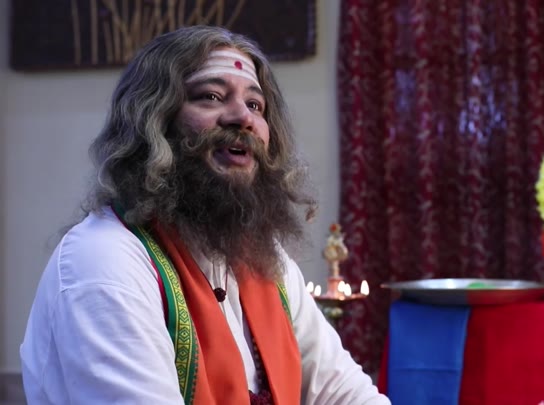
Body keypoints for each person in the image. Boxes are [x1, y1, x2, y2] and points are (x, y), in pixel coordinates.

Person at [20, 25, 390, 404]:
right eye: (211, 96)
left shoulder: (268, 263)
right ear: (154, 121)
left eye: (255, 105)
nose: (242, 117)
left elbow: (343, 393)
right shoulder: (104, 260)